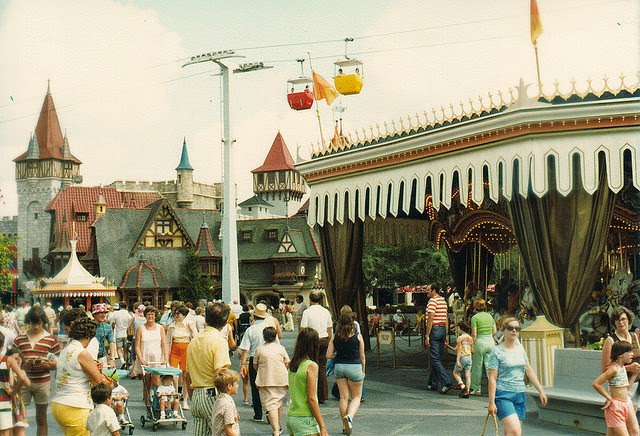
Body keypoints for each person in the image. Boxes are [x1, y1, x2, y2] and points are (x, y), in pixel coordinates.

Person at [487, 318, 547, 436]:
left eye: (517, 328)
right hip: (503, 395)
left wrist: (541, 390)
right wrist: (491, 402)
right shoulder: (496, 352)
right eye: (510, 328)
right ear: (503, 330)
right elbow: (492, 378)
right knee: (515, 431)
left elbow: (529, 371)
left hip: (520, 394)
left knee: (510, 432)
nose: (514, 331)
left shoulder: (520, 349)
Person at [52, 317, 112, 436]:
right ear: (90, 336)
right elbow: (98, 381)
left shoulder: (66, 350)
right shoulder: (83, 353)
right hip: (76, 405)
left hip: (59, 404)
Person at [185, 302, 231, 436]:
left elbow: (187, 374)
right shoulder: (219, 341)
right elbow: (220, 374)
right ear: (225, 322)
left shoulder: (194, 341)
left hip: (197, 394)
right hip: (212, 393)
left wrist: (192, 396)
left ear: (206, 319)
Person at [13, 306, 60, 436]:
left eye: (38, 323)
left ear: (43, 322)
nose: (36, 327)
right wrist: (22, 366)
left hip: (42, 382)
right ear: (29, 322)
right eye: (33, 323)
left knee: (41, 417)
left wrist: (48, 365)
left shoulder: (51, 339)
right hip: (22, 382)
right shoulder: (20, 338)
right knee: (17, 418)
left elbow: (58, 362)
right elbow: (12, 360)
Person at [238, 303, 279, 422]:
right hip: (270, 358)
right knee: (268, 385)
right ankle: (269, 411)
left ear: (254, 317)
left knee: (255, 386)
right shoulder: (270, 329)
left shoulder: (250, 330)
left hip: (254, 358)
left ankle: (258, 413)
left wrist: (242, 364)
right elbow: (277, 344)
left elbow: (245, 349)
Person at [326, 313, 365, 436]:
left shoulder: (335, 337)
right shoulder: (358, 336)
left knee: (343, 397)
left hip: (339, 367)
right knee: (356, 397)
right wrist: (363, 370)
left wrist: (335, 355)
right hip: (354, 366)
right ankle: (350, 417)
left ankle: (344, 426)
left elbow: (328, 355)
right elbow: (362, 356)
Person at [286, 328, 328, 436]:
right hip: (305, 418)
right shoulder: (311, 366)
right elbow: (311, 399)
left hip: (291, 416)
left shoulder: (293, 364)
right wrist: (322, 425)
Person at [593, 341, 640, 435]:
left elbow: (626, 388)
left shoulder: (622, 367)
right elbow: (596, 383)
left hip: (625, 403)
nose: (632, 354)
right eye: (629, 352)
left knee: (630, 432)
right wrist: (609, 398)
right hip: (616, 406)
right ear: (620, 355)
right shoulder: (613, 369)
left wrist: (635, 374)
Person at [254, 326, 289, 436]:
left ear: (264, 337)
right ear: (275, 336)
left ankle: (276, 430)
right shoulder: (280, 348)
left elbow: (255, 365)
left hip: (265, 379)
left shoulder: (259, 349)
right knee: (278, 403)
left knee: (271, 405)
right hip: (281, 379)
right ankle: (278, 425)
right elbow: (287, 362)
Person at [300, 291, 333, 403]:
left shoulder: (307, 312)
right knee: (322, 368)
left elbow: (303, 329)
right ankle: (322, 395)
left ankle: (311, 393)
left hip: (311, 340)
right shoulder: (326, 312)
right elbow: (329, 329)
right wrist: (329, 342)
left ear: (310, 300)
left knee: (310, 367)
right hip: (323, 339)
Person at [135, 306, 167, 406]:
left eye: (152, 314)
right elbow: (137, 346)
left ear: (155, 315)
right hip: (145, 359)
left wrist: (165, 358)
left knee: (157, 382)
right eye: (148, 314)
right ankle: (147, 404)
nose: (150, 316)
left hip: (157, 359)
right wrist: (141, 359)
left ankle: (157, 405)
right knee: (146, 383)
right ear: (145, 315)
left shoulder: (160, 328)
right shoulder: (141, 329)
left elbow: (164, 344)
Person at [0, 330, 31, 436]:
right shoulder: (7, 362)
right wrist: (13, 391)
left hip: (13, 403)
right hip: (5, 401)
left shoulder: (14, 365)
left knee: (17, 430)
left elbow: (26, 381)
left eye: (18, 359)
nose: (16, 360)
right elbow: (19, 380)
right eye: (15, 359)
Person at [424, 284, 454, 393]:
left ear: (434, 290)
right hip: (442, 329)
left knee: (435, 358)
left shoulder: (432, 302)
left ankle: (446, 381)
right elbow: (446, 318)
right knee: (437, 357)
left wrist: (427, 335)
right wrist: (445, 333)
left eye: (428, 290)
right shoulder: (443, 301)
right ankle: (432, 383)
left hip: (435, 329)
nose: (426, 292)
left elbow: (430, 318)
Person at [167, 304, 197, 410]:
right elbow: (168, 342)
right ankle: (176, 396)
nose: (175, 315)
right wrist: (166, 356)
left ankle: (185, 400)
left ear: (184, 315)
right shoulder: (172, 326)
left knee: (185, 376)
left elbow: (196, 337)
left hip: (186, 350)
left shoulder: (189, 324)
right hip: (175, 350)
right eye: (174, 313)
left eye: (178, 313)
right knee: (174, 376)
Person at [601, 306, 640, 376]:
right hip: (621, 384)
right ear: (614, 323)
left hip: (637, 381)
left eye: (623, 319)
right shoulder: (611, 340)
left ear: (629, 320)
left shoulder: (634, 336)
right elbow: (605, 369)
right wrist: (628, 368)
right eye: (617, 320)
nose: (621, 322)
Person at [470, 299, 497, 396]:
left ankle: (476, 388)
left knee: (477, 366)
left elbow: (474, 334)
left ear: (475, 307)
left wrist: (472, 344)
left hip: (480, 342)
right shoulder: (490, 316)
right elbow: (494, 331)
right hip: (490, 341)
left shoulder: (474, 318)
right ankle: (494, 388)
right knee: (490, 367)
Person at [211, 368, 240, 436]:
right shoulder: (227, 404)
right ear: (229, 386)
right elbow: (229, 430)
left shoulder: (219, 400)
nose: (238, 385)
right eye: (236, 383)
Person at [92, 303, 117, 369]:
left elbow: (112, 342)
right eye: (100, 313)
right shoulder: (88, 326)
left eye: (104, 313)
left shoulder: (108, 327)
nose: (103, 315)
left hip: (101, 357)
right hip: (89, 356)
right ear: (94, 314)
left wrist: (112, 359)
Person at [452, 323, 473, 398]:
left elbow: (458, 350)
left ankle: (462, 386)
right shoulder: (470, 338)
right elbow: (472, 349)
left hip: (462, 357)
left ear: (461, 329)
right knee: (468, 375)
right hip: (469, 357)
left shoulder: (460, 338)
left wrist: (457, 360)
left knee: (455, 372)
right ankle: (467, 392)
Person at [110, 302, 132, 369]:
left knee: (119, 348)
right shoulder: (128, 314)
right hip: (126, 334)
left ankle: (122, 361)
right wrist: (128, 327)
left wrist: (113, 329)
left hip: (118, 333)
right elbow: (132, 319)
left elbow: (113, 324)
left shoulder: (116, 314)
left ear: (119, 306)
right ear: (126, 307)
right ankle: (126, 362)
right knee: (125, 349)